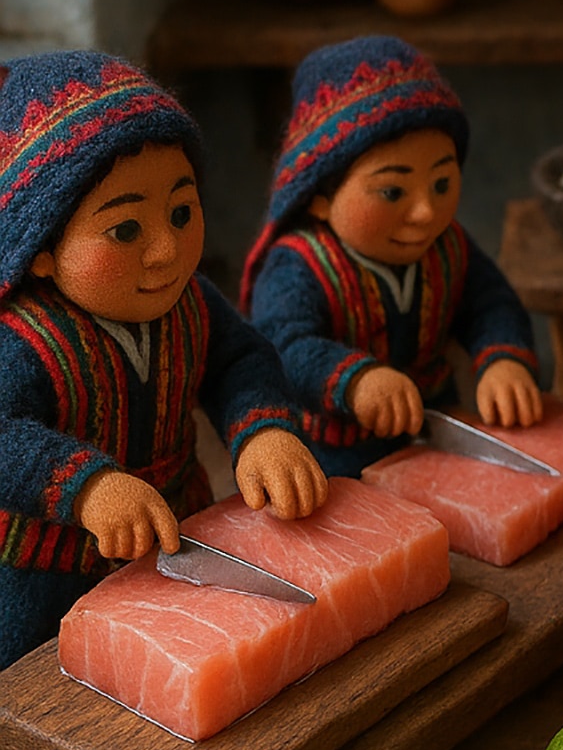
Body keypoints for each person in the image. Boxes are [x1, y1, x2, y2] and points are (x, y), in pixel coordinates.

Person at [0, 51, 327, 669]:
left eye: (181, 213)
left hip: (182, 533)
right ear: (39, 249)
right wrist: (89, 488)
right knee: (37, 689)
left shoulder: (193, 303)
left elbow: (239, 360)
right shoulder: (23, 340)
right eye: (125, 230)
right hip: (46, 573)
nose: (166, 251)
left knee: (198, 669)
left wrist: (263, 430)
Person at [241, 36, 543, 478]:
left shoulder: (449, 246)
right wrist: (357, 381)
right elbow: (282, 345)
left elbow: (490, 302)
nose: (425, 213)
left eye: (441, 184)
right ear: (318, 197)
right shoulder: (298, 266)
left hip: (439, 432)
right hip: (337, 457)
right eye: (392, 191)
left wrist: (503, 359)